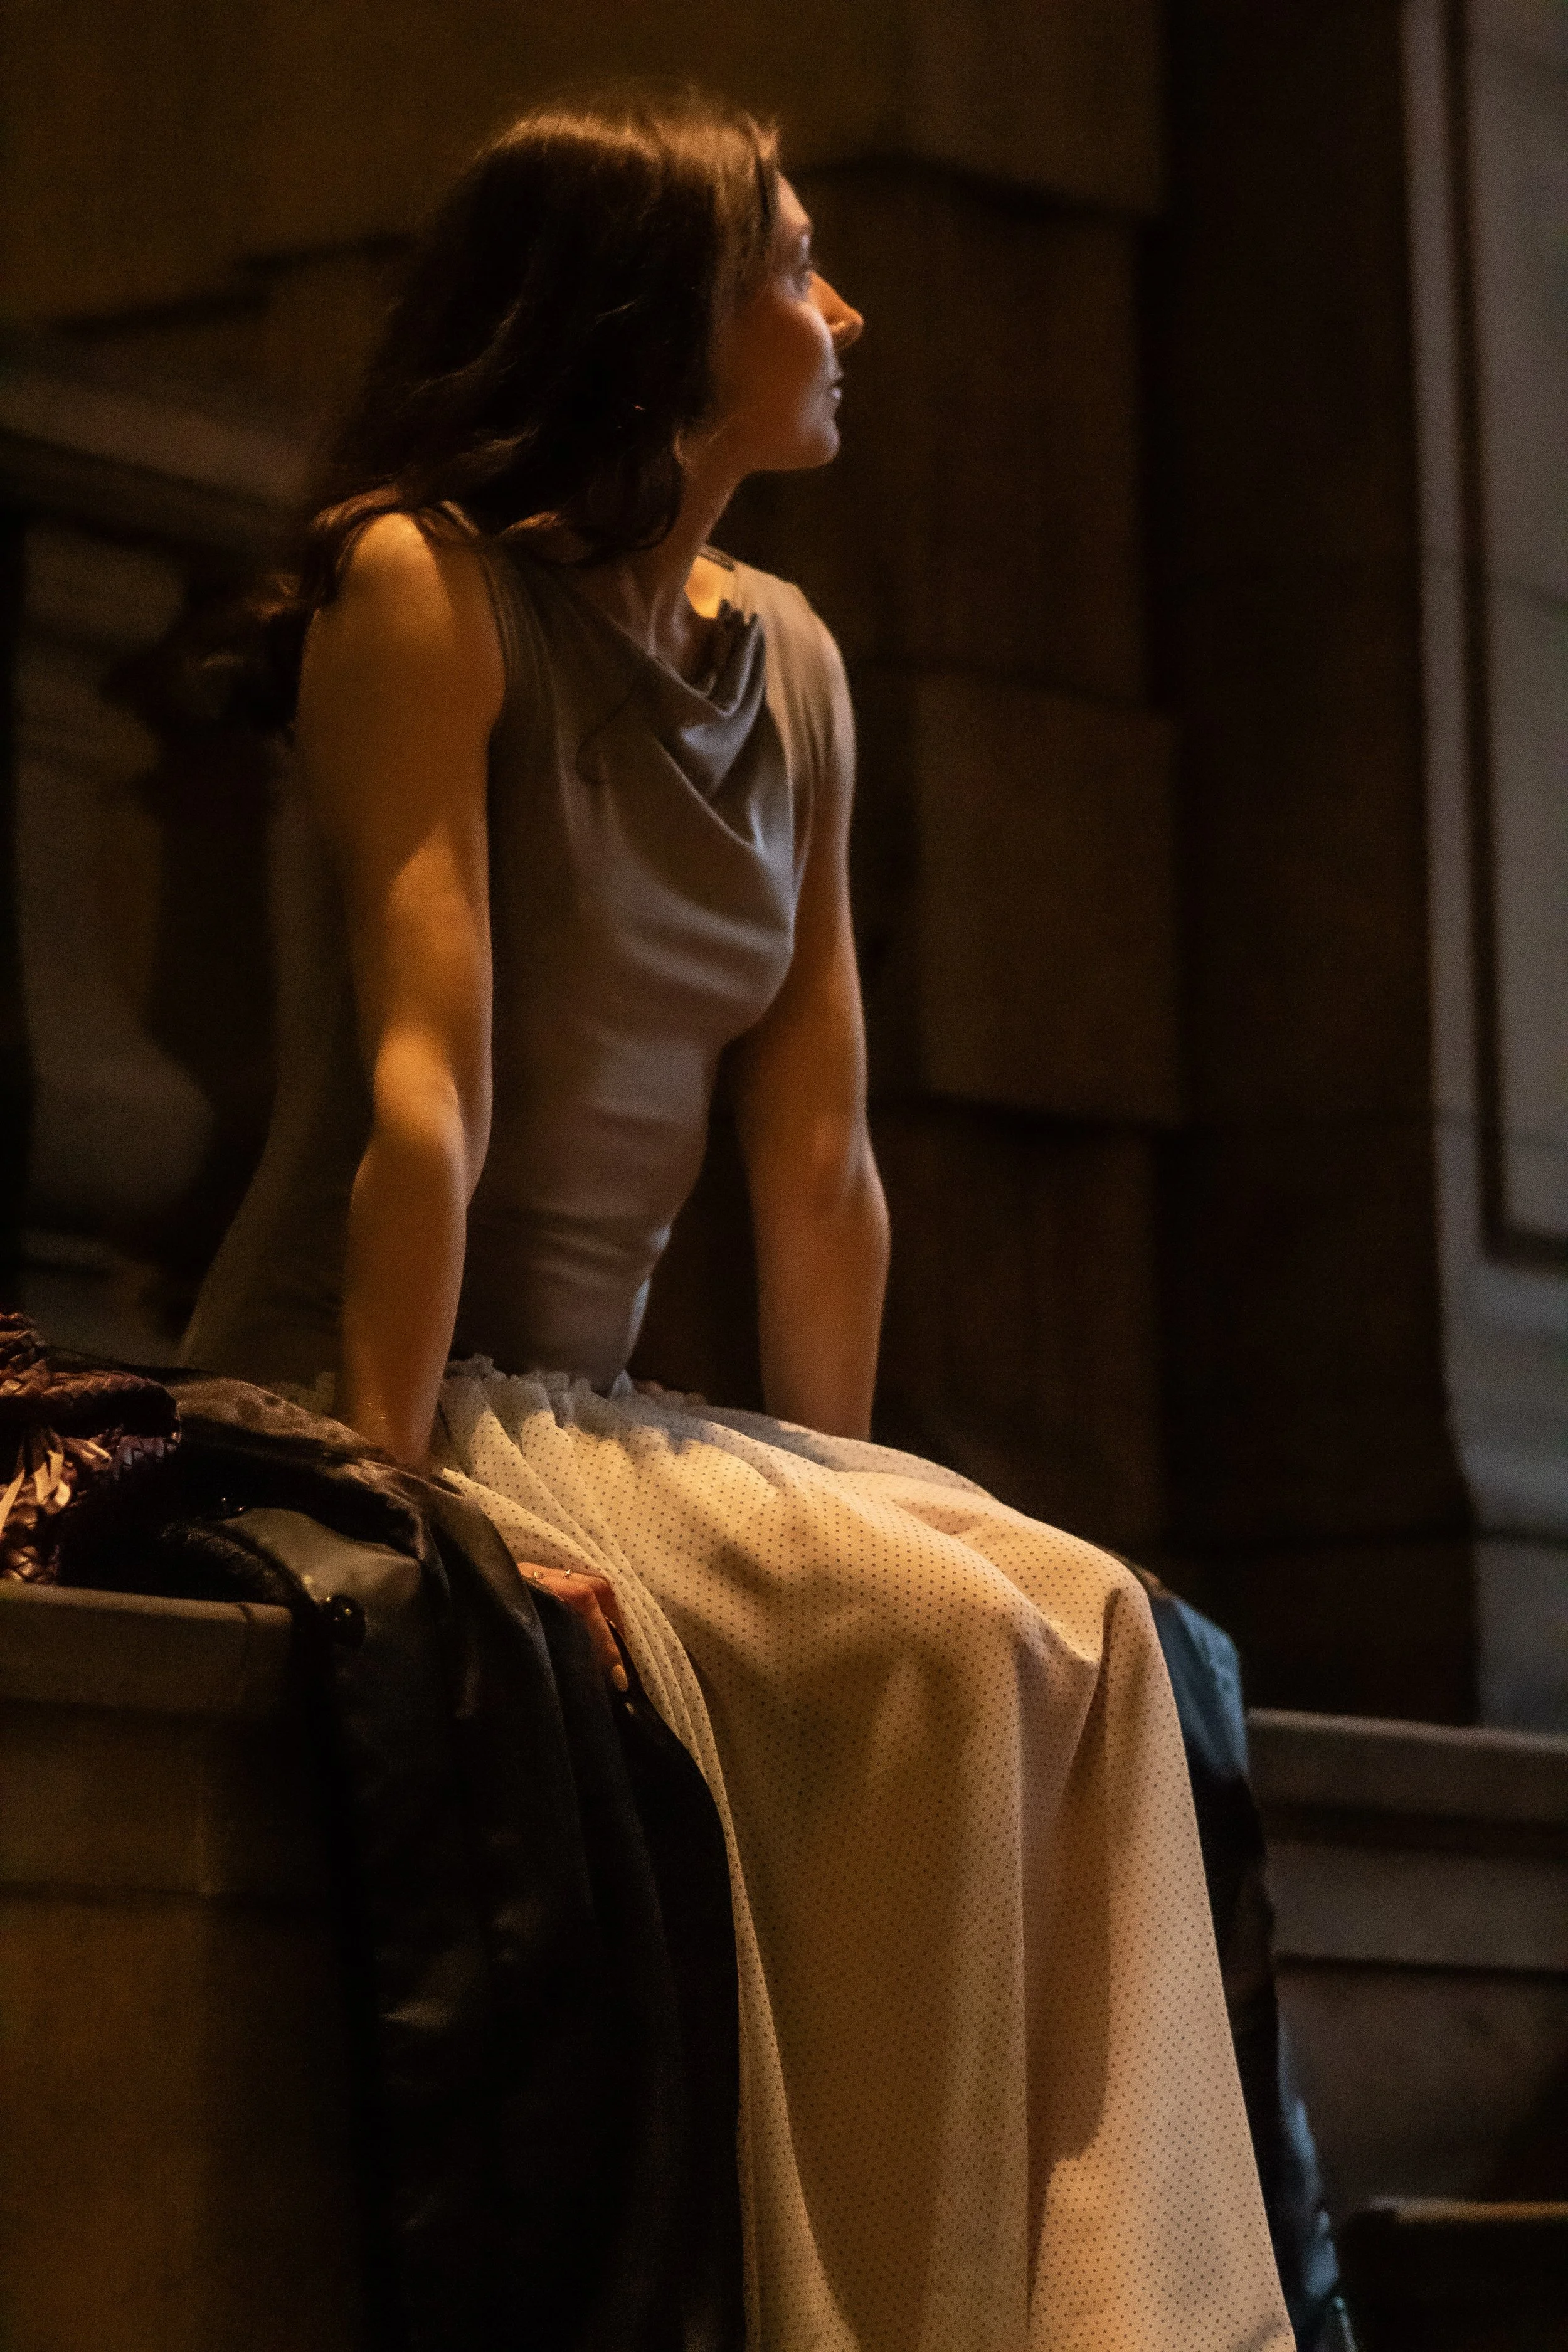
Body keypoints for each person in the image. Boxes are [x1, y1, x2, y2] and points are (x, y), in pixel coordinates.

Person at [182, 84, 1292, 2352]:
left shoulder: (787, 654)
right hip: (388, 1366)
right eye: (792, 263)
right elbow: (427, 1089)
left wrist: (834, 1482)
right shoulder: (424, 588)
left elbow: (820, 1158)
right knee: (942, 1649)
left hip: (610, 1401)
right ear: (658, 324)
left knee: (1086, 1625)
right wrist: (394, 1514)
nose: (841, 307)